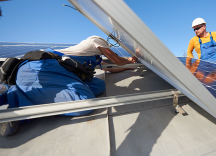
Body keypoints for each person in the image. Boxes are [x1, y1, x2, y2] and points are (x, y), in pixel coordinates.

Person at [0, 36, 138, 137]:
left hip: (44, 74)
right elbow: (117, 61)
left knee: (99, 85)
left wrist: (129, 68)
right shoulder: (96, 40)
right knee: (85, 101)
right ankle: (10, 93)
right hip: (42, 68)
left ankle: (18, 110)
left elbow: (111, 68)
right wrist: (132, 59)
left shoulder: (93, 57)